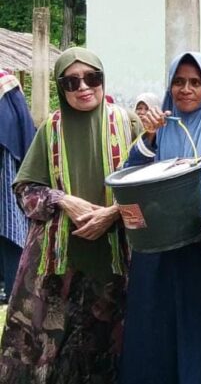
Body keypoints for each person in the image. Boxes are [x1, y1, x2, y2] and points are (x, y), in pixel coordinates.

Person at [0, 48, 138, 382]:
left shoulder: (127, 122)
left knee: (106, 354)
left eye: (92, 78)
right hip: (56, 267)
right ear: (62, 88)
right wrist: (62, 199)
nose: (83, 88)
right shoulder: (50, 129)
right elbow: (24, 191)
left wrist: (113, 213)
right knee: (50, 356)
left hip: (113, 264)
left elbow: (149, 189)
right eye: (71, 81)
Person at [120, 52, 201, 384]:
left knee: (196, 330)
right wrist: (150, 137)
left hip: (200, 252)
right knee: (152, 331)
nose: (186, 89)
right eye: (179, 82)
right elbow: (129, 180)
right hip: (154, 250)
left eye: (195, 82)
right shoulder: (160, 130)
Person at [0, 71, 35, 304]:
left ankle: (13, 288)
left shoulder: (5, 85)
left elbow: (12, 130)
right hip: (13, 160)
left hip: (7, 164)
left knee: (10, 226)